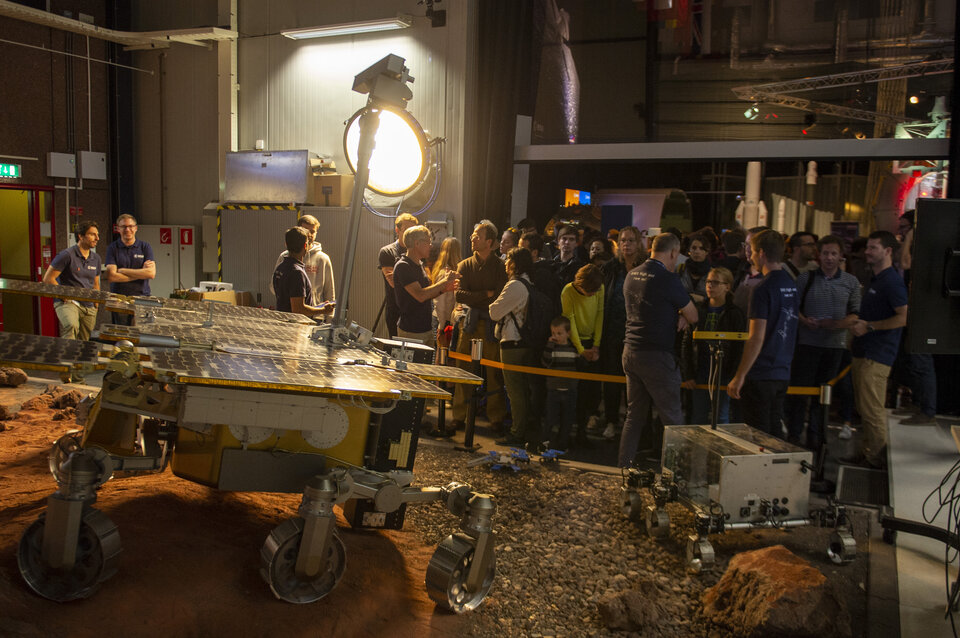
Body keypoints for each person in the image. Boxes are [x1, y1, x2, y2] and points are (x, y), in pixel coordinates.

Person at [618, 233, 698, 468]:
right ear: (673, 252)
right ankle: (676, 474)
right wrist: (682, 314)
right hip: (657, 356)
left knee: (634, 416)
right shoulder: (667, 278)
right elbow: (693, 315)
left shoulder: (632, 274)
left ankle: (624, 468)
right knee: (672, 418)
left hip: (631, 350)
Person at [785, 235, 861, 450]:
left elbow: (855, 314)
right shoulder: (805, 279)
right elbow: (793, 307)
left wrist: (836, 324)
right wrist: (805, 321)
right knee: (800, 393)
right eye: (825, 253)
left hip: (834, 346)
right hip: (807, 344)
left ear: (840, 256)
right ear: (819, 255)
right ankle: (793, 435)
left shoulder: (850, 282)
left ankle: (816, 438)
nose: (829, 258)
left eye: (833, 253)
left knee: (823, 394)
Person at [842, 231, 908, 468]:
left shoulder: (892, 282)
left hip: (877, 355)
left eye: (873, 248)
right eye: (867, 248)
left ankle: (877, 459)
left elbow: (903, 317)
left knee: (872, 409)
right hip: (863, 352)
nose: (867, 252)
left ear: (888, 251)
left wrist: (870, 327)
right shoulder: (875, 278)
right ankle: (866, 451)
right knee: (863, 408)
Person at [727, 230, 799, 438]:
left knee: (757, 433)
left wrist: (740, 375)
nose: (750, 256)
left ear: (762, 254)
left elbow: (756, 336)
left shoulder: (762, 289)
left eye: (753, 251)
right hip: (782, 369)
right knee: (773, 430)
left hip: (761, 372)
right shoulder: (790, 284)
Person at [450, 221, 509, 432]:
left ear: (490, 242)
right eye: (473, 235)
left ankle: (496, 416)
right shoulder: (464, 265)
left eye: (477, 236)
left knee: (493, 372)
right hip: (469, 324)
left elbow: (500, 296)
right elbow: (459, 294)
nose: (472, 239)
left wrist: (478, 298)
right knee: (462, 370)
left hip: (492, 325)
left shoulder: (501, 267)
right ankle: (459, 415)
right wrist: (485, 294)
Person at [680, 267, 746, 425]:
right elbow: (687, 342)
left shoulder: (734, 313)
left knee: (721, 416)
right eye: (708, 282)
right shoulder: (699, 310)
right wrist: (688, 373)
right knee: (698, 416)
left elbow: (739, 348)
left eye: (715, 282)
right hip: (700, 370)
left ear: (727, 286)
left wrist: (734, 375)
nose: (710, 286)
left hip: (724, 372)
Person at [599, 226, 646, 440]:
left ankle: (633, 424)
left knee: (635, 383)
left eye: (631, 240)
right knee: (611, 379)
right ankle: (610, 420)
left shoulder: (646, 268)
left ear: (639, 244)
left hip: (638, 334)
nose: (626, 244)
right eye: (623, 240)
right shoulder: (611, 268)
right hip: (613, 331)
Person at [489, 247, 536, 446]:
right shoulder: (529, 282)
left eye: (508, 259)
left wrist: (492, 303)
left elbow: (494, 311)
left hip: (512, 341)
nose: (506, 263)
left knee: (515, 390)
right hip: (523, 341)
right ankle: (522, 427)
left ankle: (517, 432)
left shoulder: (515, 285)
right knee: (522, 389)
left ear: (515, 263)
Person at [561, 264, 605, 447]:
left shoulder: (599, 287)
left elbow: (599, 314)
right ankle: (568, 432)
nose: (594, 294)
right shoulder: (568, 291)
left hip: (591, 344)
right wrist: (580, 349)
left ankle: (582, 431)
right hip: (573, 344)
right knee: (573, 392)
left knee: (590, 391)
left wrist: (596, 345)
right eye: (590, 292)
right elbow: (568, 319)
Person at [393, 225, 459, 346]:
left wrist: (444, 289)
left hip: (425, 328)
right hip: (411, 330)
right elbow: (420, 295)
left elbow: (427, 292)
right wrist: (444, 281)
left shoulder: (419, 264)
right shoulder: (403, 266)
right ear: (417, 243)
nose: (431, 246)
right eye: (428, 242)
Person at [43, 220, 103, 341]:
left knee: (85, 339)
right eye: (92, 234)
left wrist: (96, 304)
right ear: (80, 236)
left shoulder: (96, 258)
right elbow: (48, 279)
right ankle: (67, 359)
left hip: (89, 305)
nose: (97, 238)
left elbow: (95, 283)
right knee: (71, 326)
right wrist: (64, 294)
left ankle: (81, 360)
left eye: (97, 235)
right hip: (68, 302)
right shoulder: (66, 255)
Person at [269, 214, 335, 316]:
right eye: (305, 231)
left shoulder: (283, 267)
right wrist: (323, 310)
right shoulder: (296, 272)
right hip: (299, 322)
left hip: (290, 318)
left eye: (312, 232)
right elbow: (298, 309)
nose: (309, 234)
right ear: (305, 245)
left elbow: (329, 292)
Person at [104, 214, 155, 325]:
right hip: (119, 298)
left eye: (131, 226)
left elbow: (151, 274)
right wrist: (140, 273)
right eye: (123, 227)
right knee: (122, 335)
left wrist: (123, 271)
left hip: (142, 297)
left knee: (140, 333)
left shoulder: (145, 247)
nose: (127, 229)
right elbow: (112, 276)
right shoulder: (112, 248)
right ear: (118, 229)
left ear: (136, 228)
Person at [539, 315, 579, 451]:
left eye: (559, 333)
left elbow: (579, 366)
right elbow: (545, 362)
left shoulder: (574, 350)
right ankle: (545, 443)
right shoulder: (552, 348)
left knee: (567, 420)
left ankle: (563, 444)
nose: (556, 336)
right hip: (553, 390)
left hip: (570, 390)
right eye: (553, 333)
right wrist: (549, 344)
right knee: (550, 418)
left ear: (568, 333)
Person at [378, 213, 420, 337]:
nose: (410, 235)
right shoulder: (387, 252)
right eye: (407, 230)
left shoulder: (418, 251)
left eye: (414, 232)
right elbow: (392, 283)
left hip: (415, 311)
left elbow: (426, 281)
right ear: (397, 230)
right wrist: (416, 285)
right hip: (396, 311)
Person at [431, 236, 462, 346]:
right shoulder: (446, 274)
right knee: (441, 355)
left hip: (445, 320)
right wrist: (442, 327)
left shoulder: (448, 272)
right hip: (442, 321)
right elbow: (440, 304)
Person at [676, 233, 710, 303]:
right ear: (689, 251)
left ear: (706, 252)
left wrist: (703, 299)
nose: (697, 251)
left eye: (701, 248)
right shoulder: (680, 269)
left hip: (704, 311)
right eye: (694, 248)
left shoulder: (712, 273)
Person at [552, 224, 585, 289]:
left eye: (571, 239)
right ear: (558, 241)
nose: (567, 242)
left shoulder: (580, 268)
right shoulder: (550, 264)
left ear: (576, 243)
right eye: (564, 239)